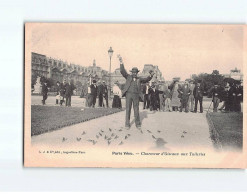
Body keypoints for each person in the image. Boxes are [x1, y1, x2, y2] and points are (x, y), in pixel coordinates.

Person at [118, 55, 154, 130]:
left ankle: (138, 124)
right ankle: (127, 124)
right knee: (128, 109)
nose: (134, 73)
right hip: (128, 95)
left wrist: (150, 76)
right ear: (132, 73)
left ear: (137, 73)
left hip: (136, 96)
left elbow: (146, 79)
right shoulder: (128, 77)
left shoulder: (139, 79)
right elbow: (122, 71)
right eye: (133, 72)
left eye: (135, 72)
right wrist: (121, 62)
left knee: (136, 109)